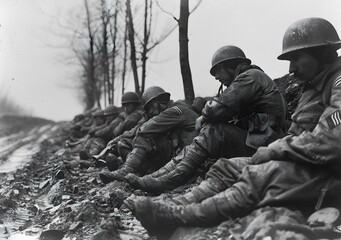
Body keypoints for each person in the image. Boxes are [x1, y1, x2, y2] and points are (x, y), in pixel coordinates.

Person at [125, 17, 341, 237]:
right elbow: (298, 135)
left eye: (296, 57)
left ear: (322, 52)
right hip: (301, 159)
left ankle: (179, 216)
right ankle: (177, 204)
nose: (291, 68)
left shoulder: (335, 82)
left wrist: (272, 151)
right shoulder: (314, 87)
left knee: (260, 173)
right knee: (225, 168)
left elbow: (330, 142)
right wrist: (275, 151)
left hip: (328, 173)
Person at [125, 45, 287, 194]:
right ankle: (158, 177)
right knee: (209, 131)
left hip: (264, 145)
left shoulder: (250, 77)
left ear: (229, 66)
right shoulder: (248, 81)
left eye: (218, 70)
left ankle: (168, 181)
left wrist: (205, 115)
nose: (217, 77)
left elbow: (219, 106)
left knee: (212, 131)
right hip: (257, 142)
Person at [99, 86, 199, 184]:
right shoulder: (167, 112)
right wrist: (119, 140)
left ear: (159, 100)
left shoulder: (177, 109)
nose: (150, 111)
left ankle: (127, 170)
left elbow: (145, 129)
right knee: (123, 143)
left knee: (144, 138)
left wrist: (137, 132)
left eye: (151, 106)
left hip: (187, 156)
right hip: (175, 154)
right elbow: (138, 130)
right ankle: (138, 171)